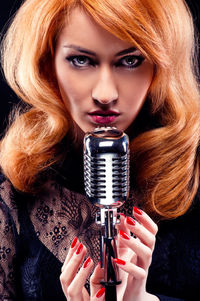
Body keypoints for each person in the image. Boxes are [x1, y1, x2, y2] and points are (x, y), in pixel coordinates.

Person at [0, 0, 199, 300]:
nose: (105, 94)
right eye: (81, 60)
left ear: (162, 64)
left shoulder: (193, 173)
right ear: (47, 62)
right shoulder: (11, 189)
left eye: (129, 61)